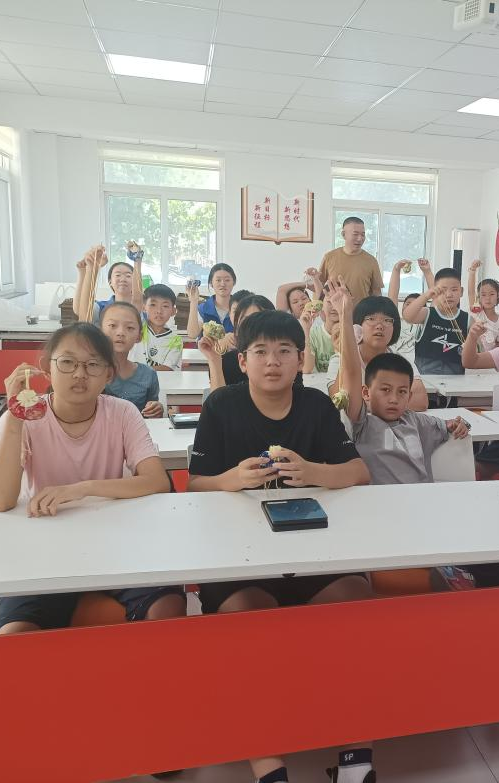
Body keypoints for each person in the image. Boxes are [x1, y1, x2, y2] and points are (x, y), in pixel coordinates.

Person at [186, 310, 373, 783]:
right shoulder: (221, 406)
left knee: (355, 607)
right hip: (239, 556)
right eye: (261, 352)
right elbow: (195, 485)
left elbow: (358, 472)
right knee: (250, 624)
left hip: (313, 550)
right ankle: (269, 766)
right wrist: (232, 479)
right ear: (242, 361)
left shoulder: (315, 406)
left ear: (300, 358)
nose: (272, 362)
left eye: (284, 351)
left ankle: (356, 760)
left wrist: (312, 472)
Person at [0, 323, 182, 635]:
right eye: (67, 362)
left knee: (168, 608)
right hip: (44, 549)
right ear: (47, 368)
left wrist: (83, 489)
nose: (80, 374)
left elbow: (156, 480)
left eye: (92, 365)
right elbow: (0, 500)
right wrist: (14, 417)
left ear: (109, 375)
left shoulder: (122, 412)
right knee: (14, 633)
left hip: (116, 541)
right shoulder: (24, 417)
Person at [331, 281, 469, 484]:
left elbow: (439, 415)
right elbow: (346, 385)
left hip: (419, 496)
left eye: (402, 392)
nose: (393, 399)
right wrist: (345, 316)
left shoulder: (414, 419)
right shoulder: (362, 423)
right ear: (366, 392)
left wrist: (460, 424)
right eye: (385, 390)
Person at [327, 295, 428, 412]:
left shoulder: (400, 361)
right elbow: (337, 400)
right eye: (371, 319)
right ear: (357, 326)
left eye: (387, 320)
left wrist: (362, 404)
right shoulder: (338, 360)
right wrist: (347, 354)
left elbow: (420, 400)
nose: (380, 326)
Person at [199, 292, 274, 390]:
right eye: (246, 320)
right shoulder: (227, 362)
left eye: (259, 319)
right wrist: (214, 359)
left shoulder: (283, 358)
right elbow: (218, 399)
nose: (252, 325)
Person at [402, 267, 469, 376]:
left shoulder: (468, 319)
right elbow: (407, 316)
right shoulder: (427, 313)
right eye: (443, 290)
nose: (449, 294)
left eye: (454, 290)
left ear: (461, 292)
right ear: (435, 292)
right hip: (425, 381)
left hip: (456, 382)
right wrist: (426, 296)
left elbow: (476, 352)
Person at [100, 301, 163, 417]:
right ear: (100, 331)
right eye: (112, 326)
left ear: (139, 336)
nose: (120, 333)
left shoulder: (148, 375)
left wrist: (156, 408)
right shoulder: (92, 372)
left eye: (129, 328)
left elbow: (151, 413)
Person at [74, 244, 144, 326]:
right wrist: (85, 271)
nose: (123, 279)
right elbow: (80, 311)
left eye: (128, 276)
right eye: (118, 275)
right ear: (110, 282)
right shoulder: (101, 307)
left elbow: (137, 298)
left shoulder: (142, 308)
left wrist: (137, 259)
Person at [318, 217, 383, 302]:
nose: (360, 238)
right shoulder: (329, 257)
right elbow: (319, 287)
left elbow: (377, 293)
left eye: (363, 234)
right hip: (334, 309)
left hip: (361, 310)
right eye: (355, 234)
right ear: (343, 234)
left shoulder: (371, 261)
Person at [130, 283, 184, 371]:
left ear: (173, 311)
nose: (159, 311)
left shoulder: (176, 340)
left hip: (161, 380)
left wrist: (135, 371)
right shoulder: (137, 328)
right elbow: (136, 298)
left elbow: (167, 368)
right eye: (153, 305)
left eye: (165, 306)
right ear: (143, 307)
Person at [388, 258, 434, 355]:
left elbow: (437, 297)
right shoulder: (395, 321)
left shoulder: (427, 323)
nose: (410, 307)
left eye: (415, 305)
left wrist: (427, 271)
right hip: (394, 361)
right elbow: (393, 295)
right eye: (408, 304)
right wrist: (396, 269)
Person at [466, 260, 499, 352]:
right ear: (479, 296)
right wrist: (473, 270)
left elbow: (498, 345)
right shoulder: (477, 313)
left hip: (488, 358)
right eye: (483, 294)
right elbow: (471, 292)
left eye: (491, 294)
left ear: (498, 295)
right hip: (474, 355)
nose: (487, 298)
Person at [187, 262, 237, 339]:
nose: (223, 284)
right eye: (218, 280)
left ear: (233, 282)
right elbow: (192, 334)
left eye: (227, 280)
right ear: (211, 283)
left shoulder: (240, 307)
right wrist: (193, 301)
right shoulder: (203, 308)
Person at [301, 292, 339, 374]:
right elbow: (307, 369)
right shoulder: (313, 333)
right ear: (321, 306)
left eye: (338, 301)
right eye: (329, 302)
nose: (334, 307)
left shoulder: (354, 332)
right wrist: (306, 331)